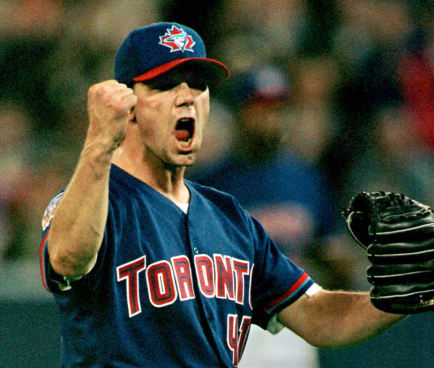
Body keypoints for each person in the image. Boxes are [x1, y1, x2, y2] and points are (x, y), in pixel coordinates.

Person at [39, 22, 404, 367]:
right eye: (165, 84)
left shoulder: (229, 217)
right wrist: (100, 142)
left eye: (197, 84)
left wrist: (399, 295)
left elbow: (315, 313)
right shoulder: (94, 202)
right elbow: (69, 259)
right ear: (127, 105)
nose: (187, 97)